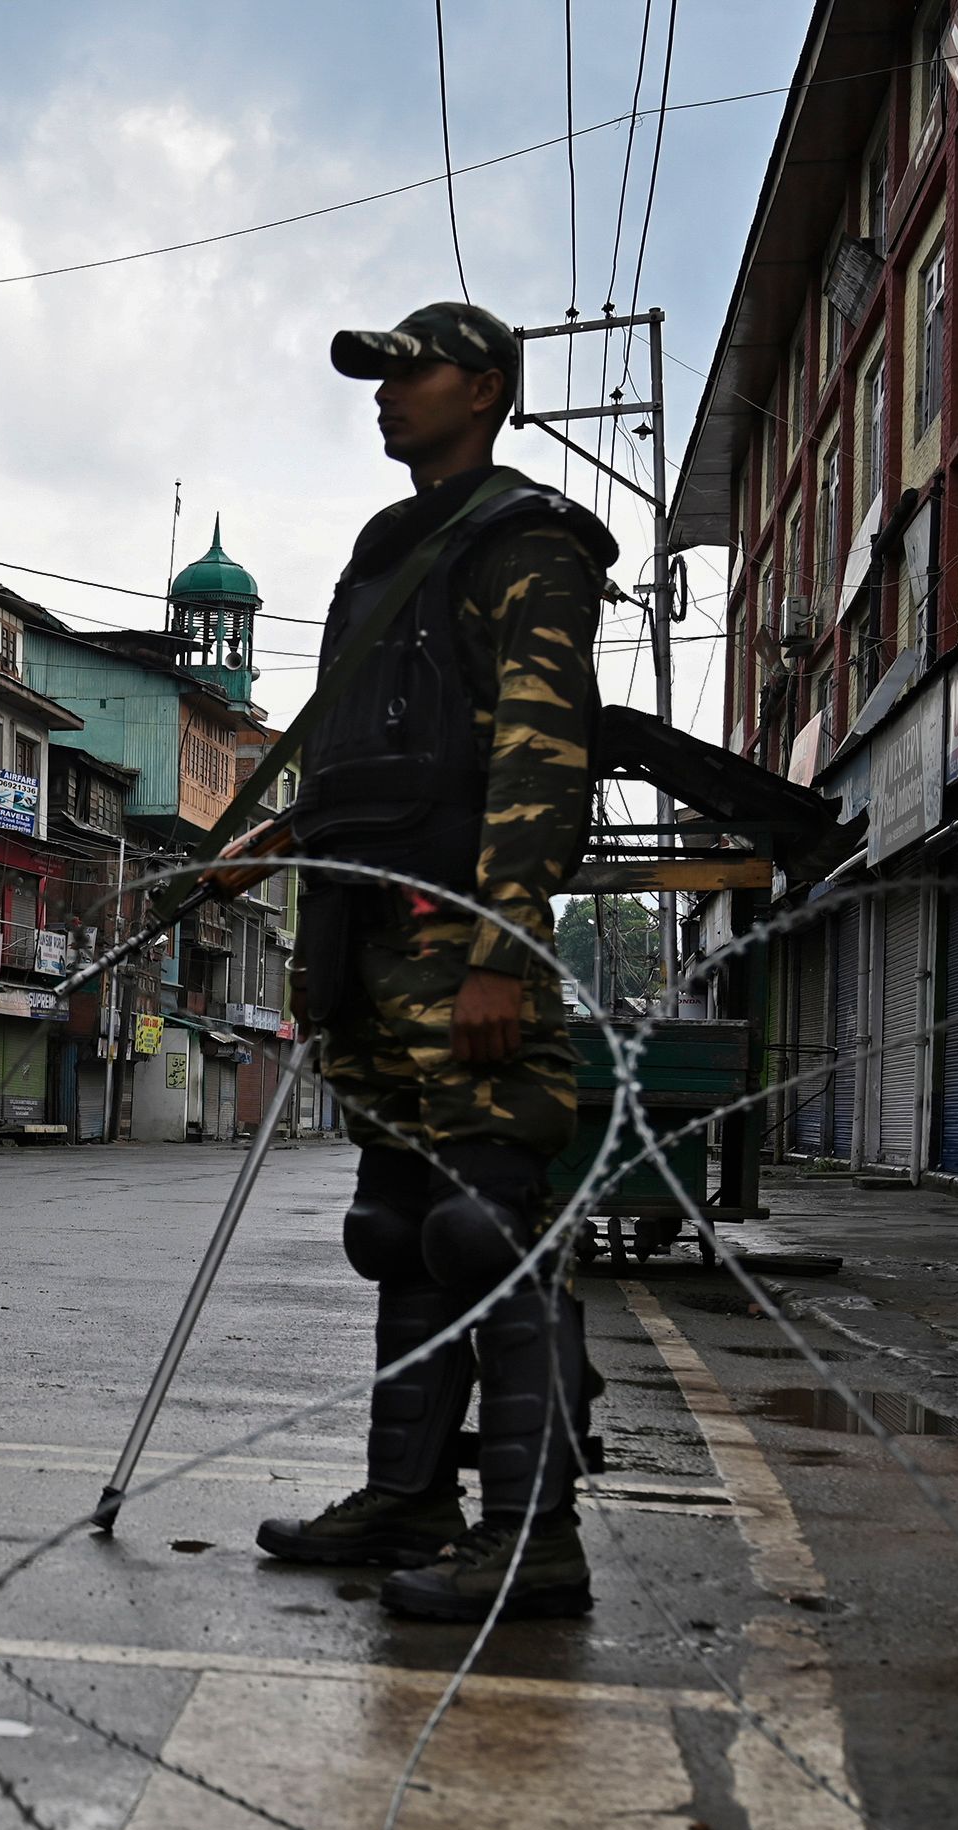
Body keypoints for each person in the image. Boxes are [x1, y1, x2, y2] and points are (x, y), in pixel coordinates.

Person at [243, 302, 614, 1621]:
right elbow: (357, 753)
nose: (387, 393)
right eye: (378, 376)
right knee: (400, 1230)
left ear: (490, 389)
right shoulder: (384, 554)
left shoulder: (526, 545)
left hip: (461, 940)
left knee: (485, 1230)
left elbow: (538, 748)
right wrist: (266, 851)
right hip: (364, 948)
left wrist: (505, 945)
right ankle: (407, 1497)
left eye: (413, 372)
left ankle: (529, 1539)